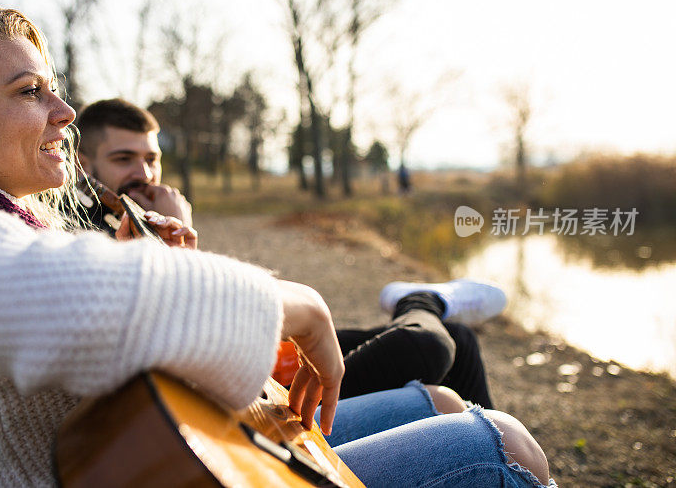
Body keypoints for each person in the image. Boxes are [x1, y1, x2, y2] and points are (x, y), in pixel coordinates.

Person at [0, 0, 553, 487]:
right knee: (504, 444)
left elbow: (93, 357)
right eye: (29, 91)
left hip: (156, 462)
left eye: (54, 89)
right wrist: (300, 304)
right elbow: (86, 309)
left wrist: (156, 264)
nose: (64, 112)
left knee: (441, 399)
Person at [76, 98, 498, 407]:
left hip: (271, 354)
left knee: (459, 339)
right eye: (124, 159)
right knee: (426, 348)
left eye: (152, 158)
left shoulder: (143, 219)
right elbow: (180, 336)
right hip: (263, 394)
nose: (145, 173)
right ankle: (421, 299)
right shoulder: (90, 237)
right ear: (84, 166)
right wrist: (186, 246)